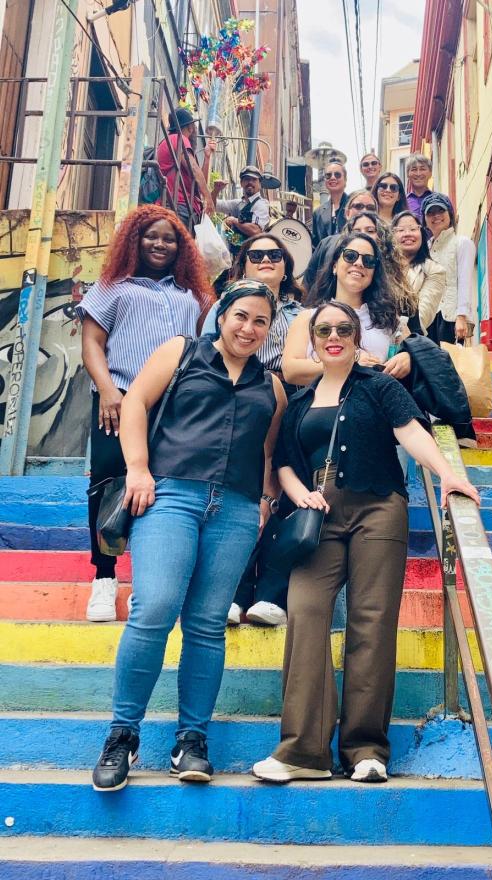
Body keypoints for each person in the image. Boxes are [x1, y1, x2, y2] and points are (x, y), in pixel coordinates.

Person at [252, 302, 480, 784]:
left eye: (343, 329)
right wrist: (301, 494)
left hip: (378, 506)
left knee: (372, 620)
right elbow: (285, 462)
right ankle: (304, 751)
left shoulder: (379, 387)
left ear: (357, 339)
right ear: (313, 342)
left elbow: (410, 431)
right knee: (305, 611)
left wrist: (446, 474)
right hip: (318, 514)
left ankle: (366, 749)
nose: (333, 337)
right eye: (324, 331)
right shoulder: (299, 401)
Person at [91, 280, 287, 792]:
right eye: (241, 316)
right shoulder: (181, 351)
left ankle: (191, 740)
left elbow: (268, 452)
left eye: (261, 321)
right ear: (222, 316)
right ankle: (122, 735)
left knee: (206, 625)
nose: (249, 328)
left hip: (236, 509)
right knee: (154, 608)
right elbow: (136, 403)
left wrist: (265, 501)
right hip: (170, 495)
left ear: (269, 330)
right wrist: (138, 468)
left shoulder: (272, 386)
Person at [77, 205, 214, 624]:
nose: (160, 244)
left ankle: (152, 577)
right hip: (119, 400)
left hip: (175, 405)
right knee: (108, 483)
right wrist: (107, 390)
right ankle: (104, 576)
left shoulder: (193, 295)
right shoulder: (112, 287)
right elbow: (92, 343)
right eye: (151, 236)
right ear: (134, 240)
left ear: (181, 248)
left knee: (164, 488)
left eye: (169, 239)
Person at [202, 235, 304, 628]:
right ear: (242, 263)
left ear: (286, 265)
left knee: (281, 491)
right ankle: (234, 590)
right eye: (256, 254)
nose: (266, 260)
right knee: (241, 492)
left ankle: (271, 594)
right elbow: (209, 350)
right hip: (237, 397)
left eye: (275, 254)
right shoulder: (224, 307)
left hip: (289, 398)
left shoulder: (301, 313)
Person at [283, 232, 411, 385]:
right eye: (350, 256)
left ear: (374, 273)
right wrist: (349, 363)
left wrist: (408, 358)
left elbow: (415, 352)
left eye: (368, 260)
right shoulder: (308, 317)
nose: (359, 263)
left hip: (378, 398)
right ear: (334, 266)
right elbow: (290, 371)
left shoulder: (389, 319)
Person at [422, 193, 475, 345]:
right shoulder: (425, 249)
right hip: (427, 319)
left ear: (450, 214)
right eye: (431, 212)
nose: (436, 216)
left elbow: (465, 282)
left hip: (451, 317)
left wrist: (462, 316)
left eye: (441, 210)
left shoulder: (462, 243)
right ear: (425, 220)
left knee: (450, 358)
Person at [304, 189, 378, 291]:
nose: (364, 211)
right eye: (358, 206)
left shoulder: (383, 249)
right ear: (347, 213)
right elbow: (308, 282)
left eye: (370, 208)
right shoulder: (327, 244)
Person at [156, 108, 215, 230]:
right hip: (179, 205)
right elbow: (194, 169)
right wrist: (208, 197)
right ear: (190, 127)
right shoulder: (179, 138)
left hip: (179, 206)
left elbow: (198, 182)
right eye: (193, 126)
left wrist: (207, 157)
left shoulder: (170, 141)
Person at [392, 210, 446, 334]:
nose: (407, 234)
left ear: (421, 233)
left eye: (413, 229)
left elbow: (423, 316)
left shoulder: (435, 270)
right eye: (401, 230)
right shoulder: (381, 266)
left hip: (408, 336)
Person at [212, 165, 270, 256]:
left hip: (253, 258)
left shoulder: (261, 204)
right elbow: (213, 205)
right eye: (247, 179)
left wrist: (234, 221)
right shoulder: (238, 203)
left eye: (254, 180)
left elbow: (256, 231)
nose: (250, 182)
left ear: (260, 184)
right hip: (236, 257)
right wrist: (216, 190)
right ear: (241, 183)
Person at [312, 160, 349, 247]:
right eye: (328, 175)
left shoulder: (355, 205)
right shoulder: (318, 213)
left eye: (337, 175)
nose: (332, 178)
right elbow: (315, 245)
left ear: (345, 180)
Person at [405, 153, 433, 222]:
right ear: (407, 174)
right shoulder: (402, 203)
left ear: (430, 173)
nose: (418, 174)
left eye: (422, 169)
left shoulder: (441, 200)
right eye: (414, 169)